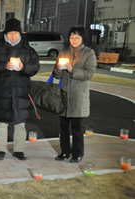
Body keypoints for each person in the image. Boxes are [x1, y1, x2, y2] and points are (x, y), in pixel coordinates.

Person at [0, 18, 40, 161]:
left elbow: (35, 66)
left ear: (20, 33)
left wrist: (23, 67)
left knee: (20, 122)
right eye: (10, 33)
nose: (13, 36)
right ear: (6, 34)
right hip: (2, 91)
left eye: (16, 33)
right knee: (2, 122)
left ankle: (19, 150)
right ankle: (1, 149)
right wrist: (5, 66)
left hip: (21, 91)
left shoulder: (28, 49)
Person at [54, 27, 96, 163]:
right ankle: (65, 151)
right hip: (64, 94)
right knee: (63, 126)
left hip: (78, 95)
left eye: (77, 37)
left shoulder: (88, 53)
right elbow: (56, 74)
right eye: (72, 37)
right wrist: (59, 70)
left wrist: (73, 70)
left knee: (77, 127)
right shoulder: (64, 52)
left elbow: (89, 73)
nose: (74, 40)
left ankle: (78, 153)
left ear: (83, 38)